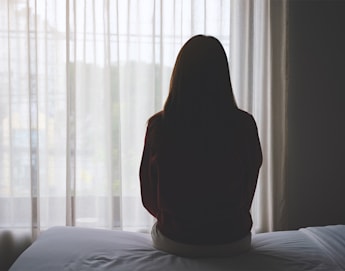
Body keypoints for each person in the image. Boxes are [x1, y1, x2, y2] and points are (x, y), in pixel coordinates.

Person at [139, 35, 262, 257]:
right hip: (233, 240)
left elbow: (148, 196)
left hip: (175, 239)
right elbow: (248, 187)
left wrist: (179, 220)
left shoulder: (159, 126)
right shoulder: (244, 125)